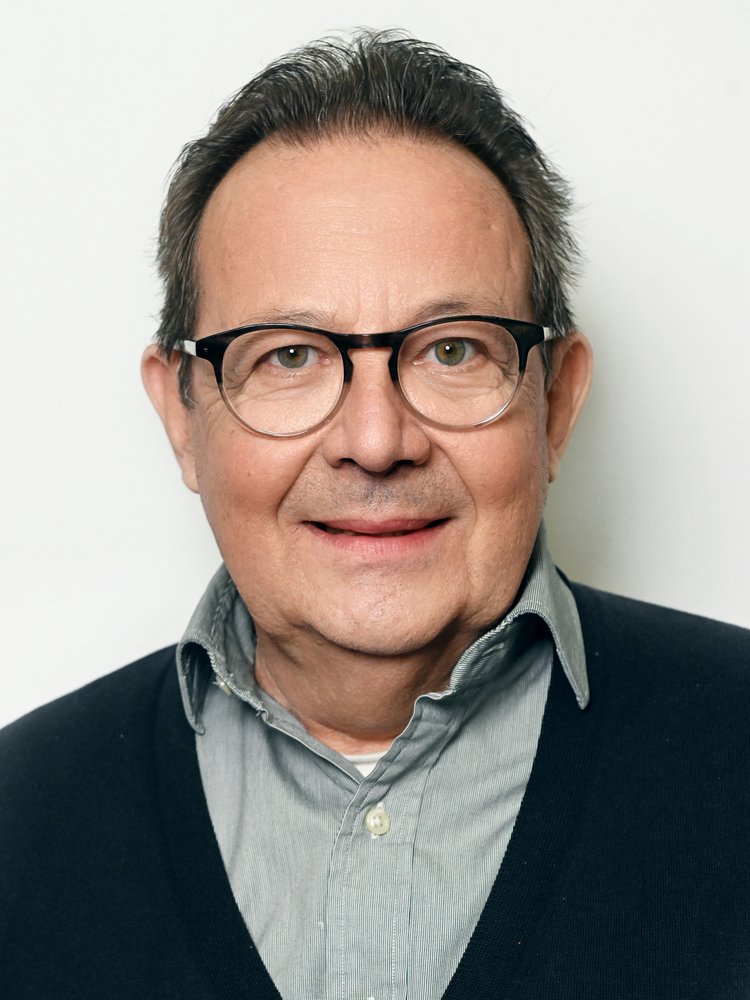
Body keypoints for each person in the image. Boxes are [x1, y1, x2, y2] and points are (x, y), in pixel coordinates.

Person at [2, 30, 749, 1000]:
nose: (375, 439)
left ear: (556, 403)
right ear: (182, 417)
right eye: (288, 356)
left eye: (452, 350)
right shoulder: (18, 820)